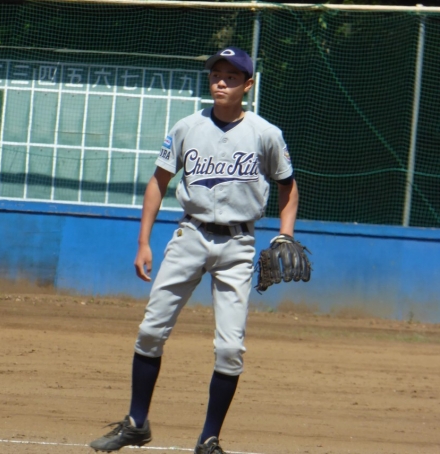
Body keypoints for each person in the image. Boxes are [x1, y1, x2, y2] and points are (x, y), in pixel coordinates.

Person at [88, 47, 299, 454]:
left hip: (238, 243)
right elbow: (159, 181)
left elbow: (288, 186)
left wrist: (285, 235)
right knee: (151, 331)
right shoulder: (187, 127)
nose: (221, 81)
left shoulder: (265, 133)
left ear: (248, 85)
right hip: (191, 235)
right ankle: (136, 423)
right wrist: (143, 242)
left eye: (232, 76)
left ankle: (209, 438)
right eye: (216, 74)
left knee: (230, 349)